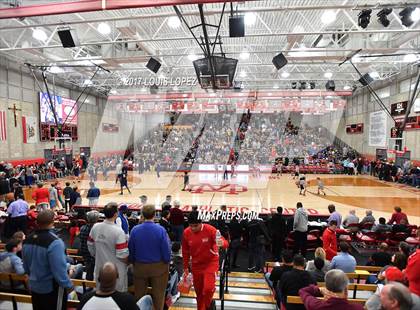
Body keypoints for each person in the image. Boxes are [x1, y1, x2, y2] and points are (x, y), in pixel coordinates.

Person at [22, 209, 73, 310]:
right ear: (52, 222)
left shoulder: (27, 240)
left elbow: (26, 267)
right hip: (51, 289)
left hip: (34, 286)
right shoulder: (55, 242)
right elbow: (59, 271)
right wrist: (69, 285)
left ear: (37, 222)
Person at [182, 211, 228, 310]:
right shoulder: (186, 232)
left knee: (207, 289)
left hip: (210, 263)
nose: (193, 228)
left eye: (195, 226)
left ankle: (209, 305)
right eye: (191, 226)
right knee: (199, 294)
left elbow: (225, 242)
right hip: (196, 265)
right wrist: (185, 267)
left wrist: (222, 243)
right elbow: (185, 251)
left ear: (201, 222)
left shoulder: (210, 229)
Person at [128, 205, 171, 310]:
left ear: (142, 214)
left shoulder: (135, 230)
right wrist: (166, 262)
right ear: (155, 214)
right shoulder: (161, 230)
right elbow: (166, 250)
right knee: (159, 296)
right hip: (159, 268)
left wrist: (133, 262)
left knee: (139, 296)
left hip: (140, 267)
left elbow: (131, 249)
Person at [88, 202, 129, 292]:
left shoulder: (95, 227)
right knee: (117, 298)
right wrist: (129, 262)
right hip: (116, 271)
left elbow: (90, 245)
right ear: (115, 214)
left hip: (99, 268)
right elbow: (122, 255)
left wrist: (96, 255)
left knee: (100, 294)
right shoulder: (118, 232)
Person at [78, 262, 153, 310]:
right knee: (147, 299)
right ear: (117, 278)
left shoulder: (85, 299)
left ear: (98, 279)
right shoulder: (126, 300)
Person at [299, 269, 363, 310]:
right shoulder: (358, 308)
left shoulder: (315, 305)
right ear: (346, 288)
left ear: (326, 287)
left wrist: (319, 289)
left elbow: (303, 291)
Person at [79, 211, 99, 281]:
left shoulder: (82, 228)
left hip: (84, 252)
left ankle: (89, 283)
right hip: (93, 253)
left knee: (89, 269)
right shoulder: (96, 229)